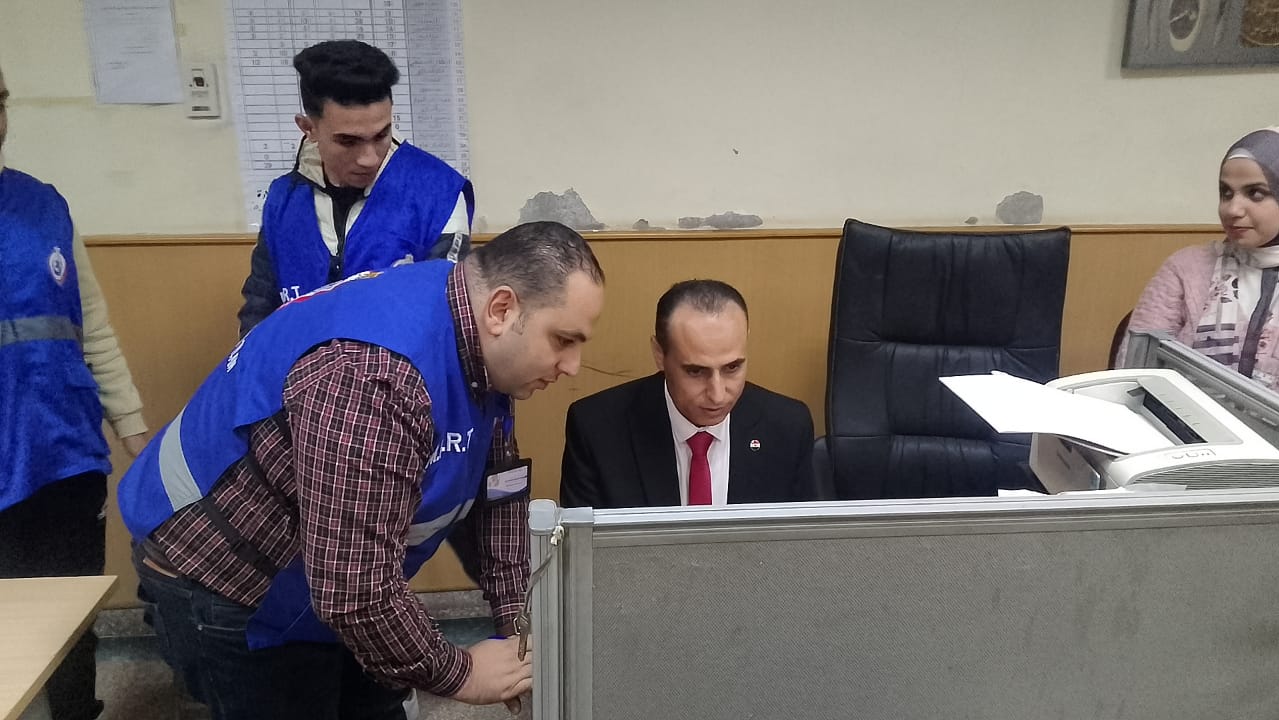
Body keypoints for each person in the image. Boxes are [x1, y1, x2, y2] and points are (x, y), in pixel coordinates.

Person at [117, 221, 604, 720]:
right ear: (502, 309)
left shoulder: (475, 324)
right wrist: (461, 673)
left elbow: (496, 493)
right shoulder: (374, 377)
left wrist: (520, 624)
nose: (573, 366)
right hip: (221, 573)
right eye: (563, 340)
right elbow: (354, 591)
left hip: (331, 573)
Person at [0, 64, 148, 720]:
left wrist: (135, 432)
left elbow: (92, 328)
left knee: (70, 615)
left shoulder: (44, 207)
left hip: (63, 451)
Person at [238, 39, 474, 336]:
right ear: (308, 128)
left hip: (399, 364)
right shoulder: (283, 200)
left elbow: (445, 318)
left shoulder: (439, 194)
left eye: (381, 135)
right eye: (348, 141)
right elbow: (259, 308)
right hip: (297, 363)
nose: (369, 158)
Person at [560, 279, 830, 509]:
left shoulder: (787, 427)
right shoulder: (597, 429)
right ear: (659, 354)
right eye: (696, 371)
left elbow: (800, 545)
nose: (718, 395)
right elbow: (585, 549)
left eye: (732, 368)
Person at [1122, 127, 1279, 391]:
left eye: (1255, 193)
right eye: (1226, 193)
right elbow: (1134, 374)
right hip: (1179, 417)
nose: (1233, 209)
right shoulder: (1186, 269)